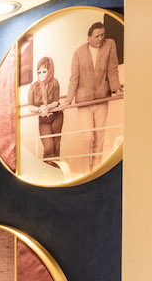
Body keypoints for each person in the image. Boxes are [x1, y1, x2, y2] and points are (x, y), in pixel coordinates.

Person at [67, 21, 123, 173]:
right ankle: (86, 171)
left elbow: (112, 69)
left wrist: (116, 89)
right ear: (89, 38)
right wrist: (68, 99)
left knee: (99, 137)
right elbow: (74, 78)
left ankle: (96, 170)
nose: (100, 38)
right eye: (97, 36)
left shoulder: (109, 45)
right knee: (87, 137)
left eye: (102, 35)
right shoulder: (78, 53)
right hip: (83, 101)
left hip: (101, 97)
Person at [28, 56, 63, 162]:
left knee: (56, 148)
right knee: (48, 148)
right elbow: (30, 106)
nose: (41, 75)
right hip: (43, 119)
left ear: (50, 71)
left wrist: (46, 107)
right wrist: (41, 109)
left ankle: (56, 170)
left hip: (56, 116)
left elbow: (56, 102)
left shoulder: (55, 82)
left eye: (44, 71)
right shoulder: (33, 87)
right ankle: (47, 168)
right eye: (39, 72)